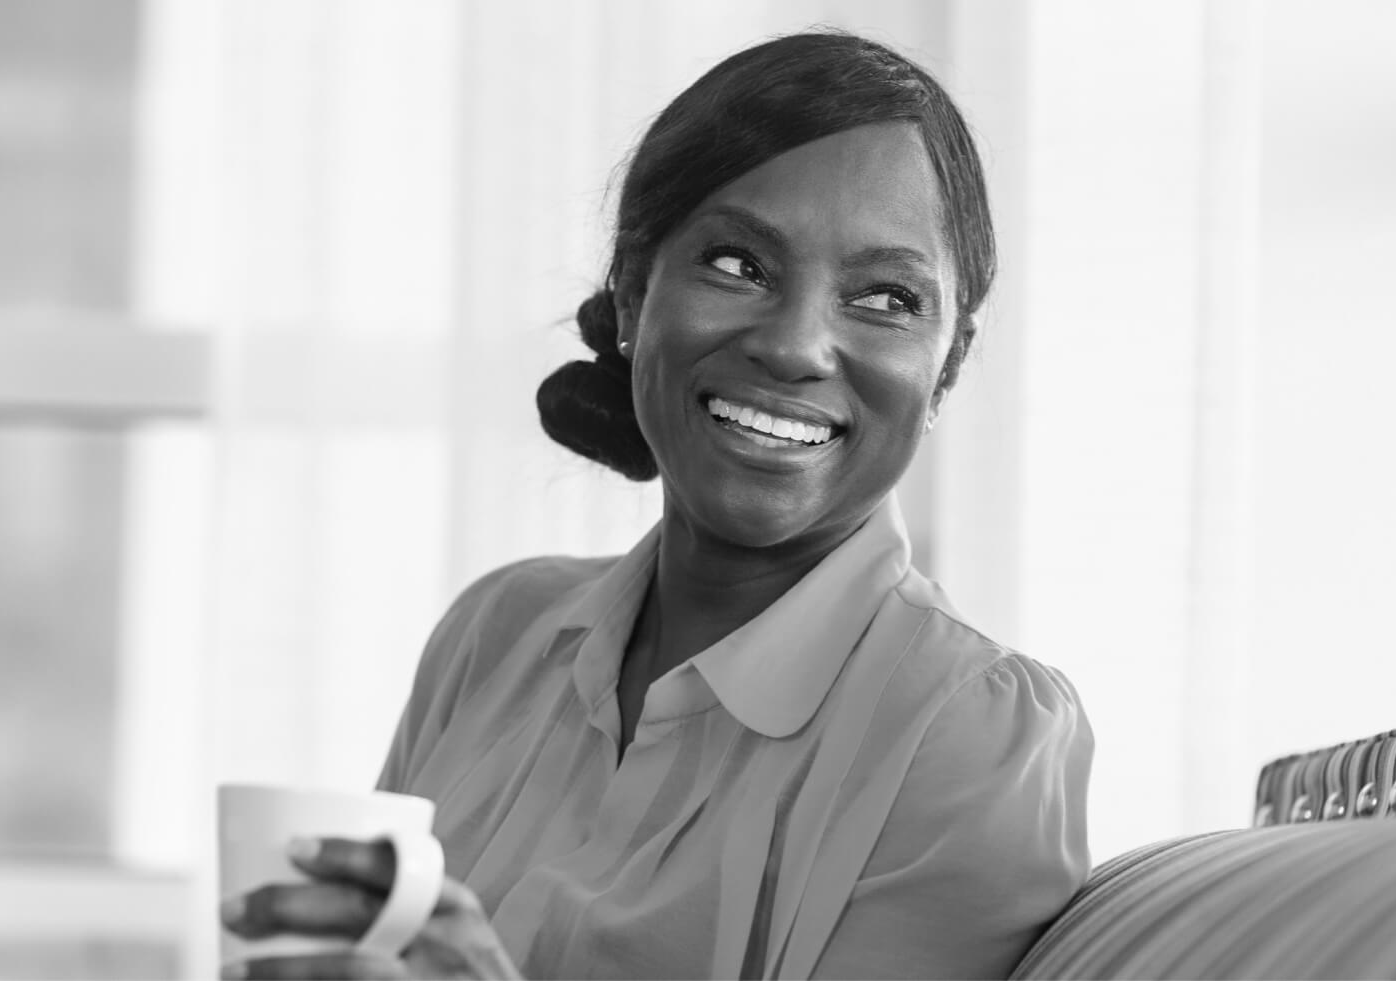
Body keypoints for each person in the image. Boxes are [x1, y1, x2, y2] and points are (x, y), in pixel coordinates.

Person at [222, 29, 1093, 980]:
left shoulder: (972, 736)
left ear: (948, 366)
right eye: (738, 265)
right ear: (635, 295)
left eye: (885, 297)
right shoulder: (497, 635)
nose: (797, 345)